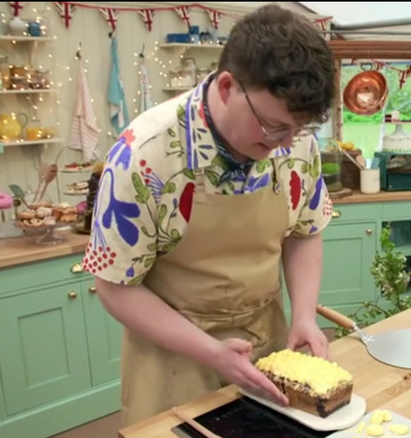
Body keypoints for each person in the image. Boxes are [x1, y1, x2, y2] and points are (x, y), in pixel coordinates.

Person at [83, 4, 336, 426]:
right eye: (273, 127)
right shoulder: (144, 156)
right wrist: (211, 351)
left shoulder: (292, 142)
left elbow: (304, 232)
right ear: (226, 87)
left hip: (266, 336)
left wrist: (305, 316)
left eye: (298, 130)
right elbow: (115, 287)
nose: (284, 143)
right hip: (173, 354)